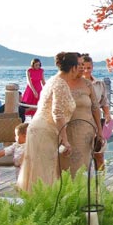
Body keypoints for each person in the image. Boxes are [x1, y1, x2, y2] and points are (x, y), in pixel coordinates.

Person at [17, 52, 77, 192]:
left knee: (38, 172)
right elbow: (57, 113)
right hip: (45, 131)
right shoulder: (60, 84)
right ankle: (43, 207)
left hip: (37, 128)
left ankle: (36, 205)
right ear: (73, 68)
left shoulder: (52, 80)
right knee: (44, 173)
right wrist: (65, 140)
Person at [60, 54, 102, 177]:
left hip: (85, 131)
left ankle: (83, 192)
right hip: (65, 130)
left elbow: (95, 108)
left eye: (84, 65)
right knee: (65, 166)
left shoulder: (87, 84)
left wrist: (99, 130)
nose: (82, 68)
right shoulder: (62, 83)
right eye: (80, 65)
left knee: (82, 165)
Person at [80, 54, 111, 170]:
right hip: (82, 121)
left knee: (99, 153)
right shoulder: (77, 84)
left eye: (89, 68)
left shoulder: (99, 84)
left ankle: (101, 183)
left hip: (96, 121)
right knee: (83, 155)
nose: (86, 71)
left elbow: (104, 102)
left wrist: (107, 114)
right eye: (84, 68)